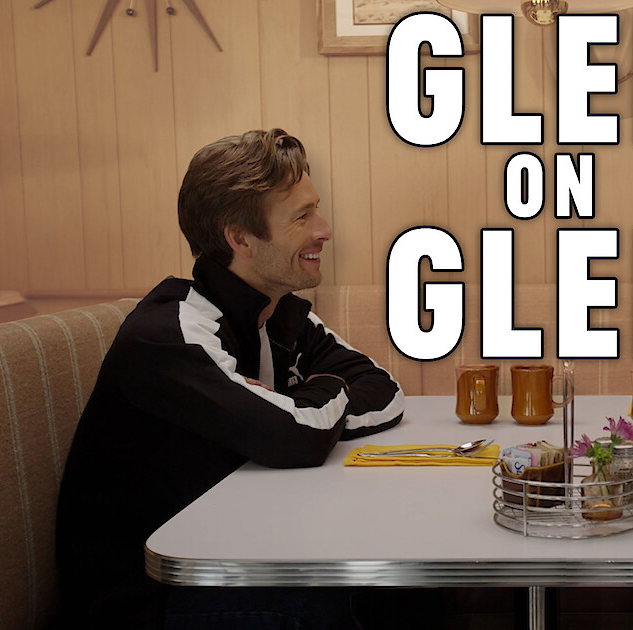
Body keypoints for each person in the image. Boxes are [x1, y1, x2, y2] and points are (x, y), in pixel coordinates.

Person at [56, 129, 405, 629]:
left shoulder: (278, 313)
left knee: (394, 583)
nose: (324, 229)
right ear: (238, 238)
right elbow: (300, 436)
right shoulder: (169, 334)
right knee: (342, 596)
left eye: (316, 210)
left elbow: (385, 391)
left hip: (234, 555)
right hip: (153, 599)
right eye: (302, 216)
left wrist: (297, 404)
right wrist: (309, 404)